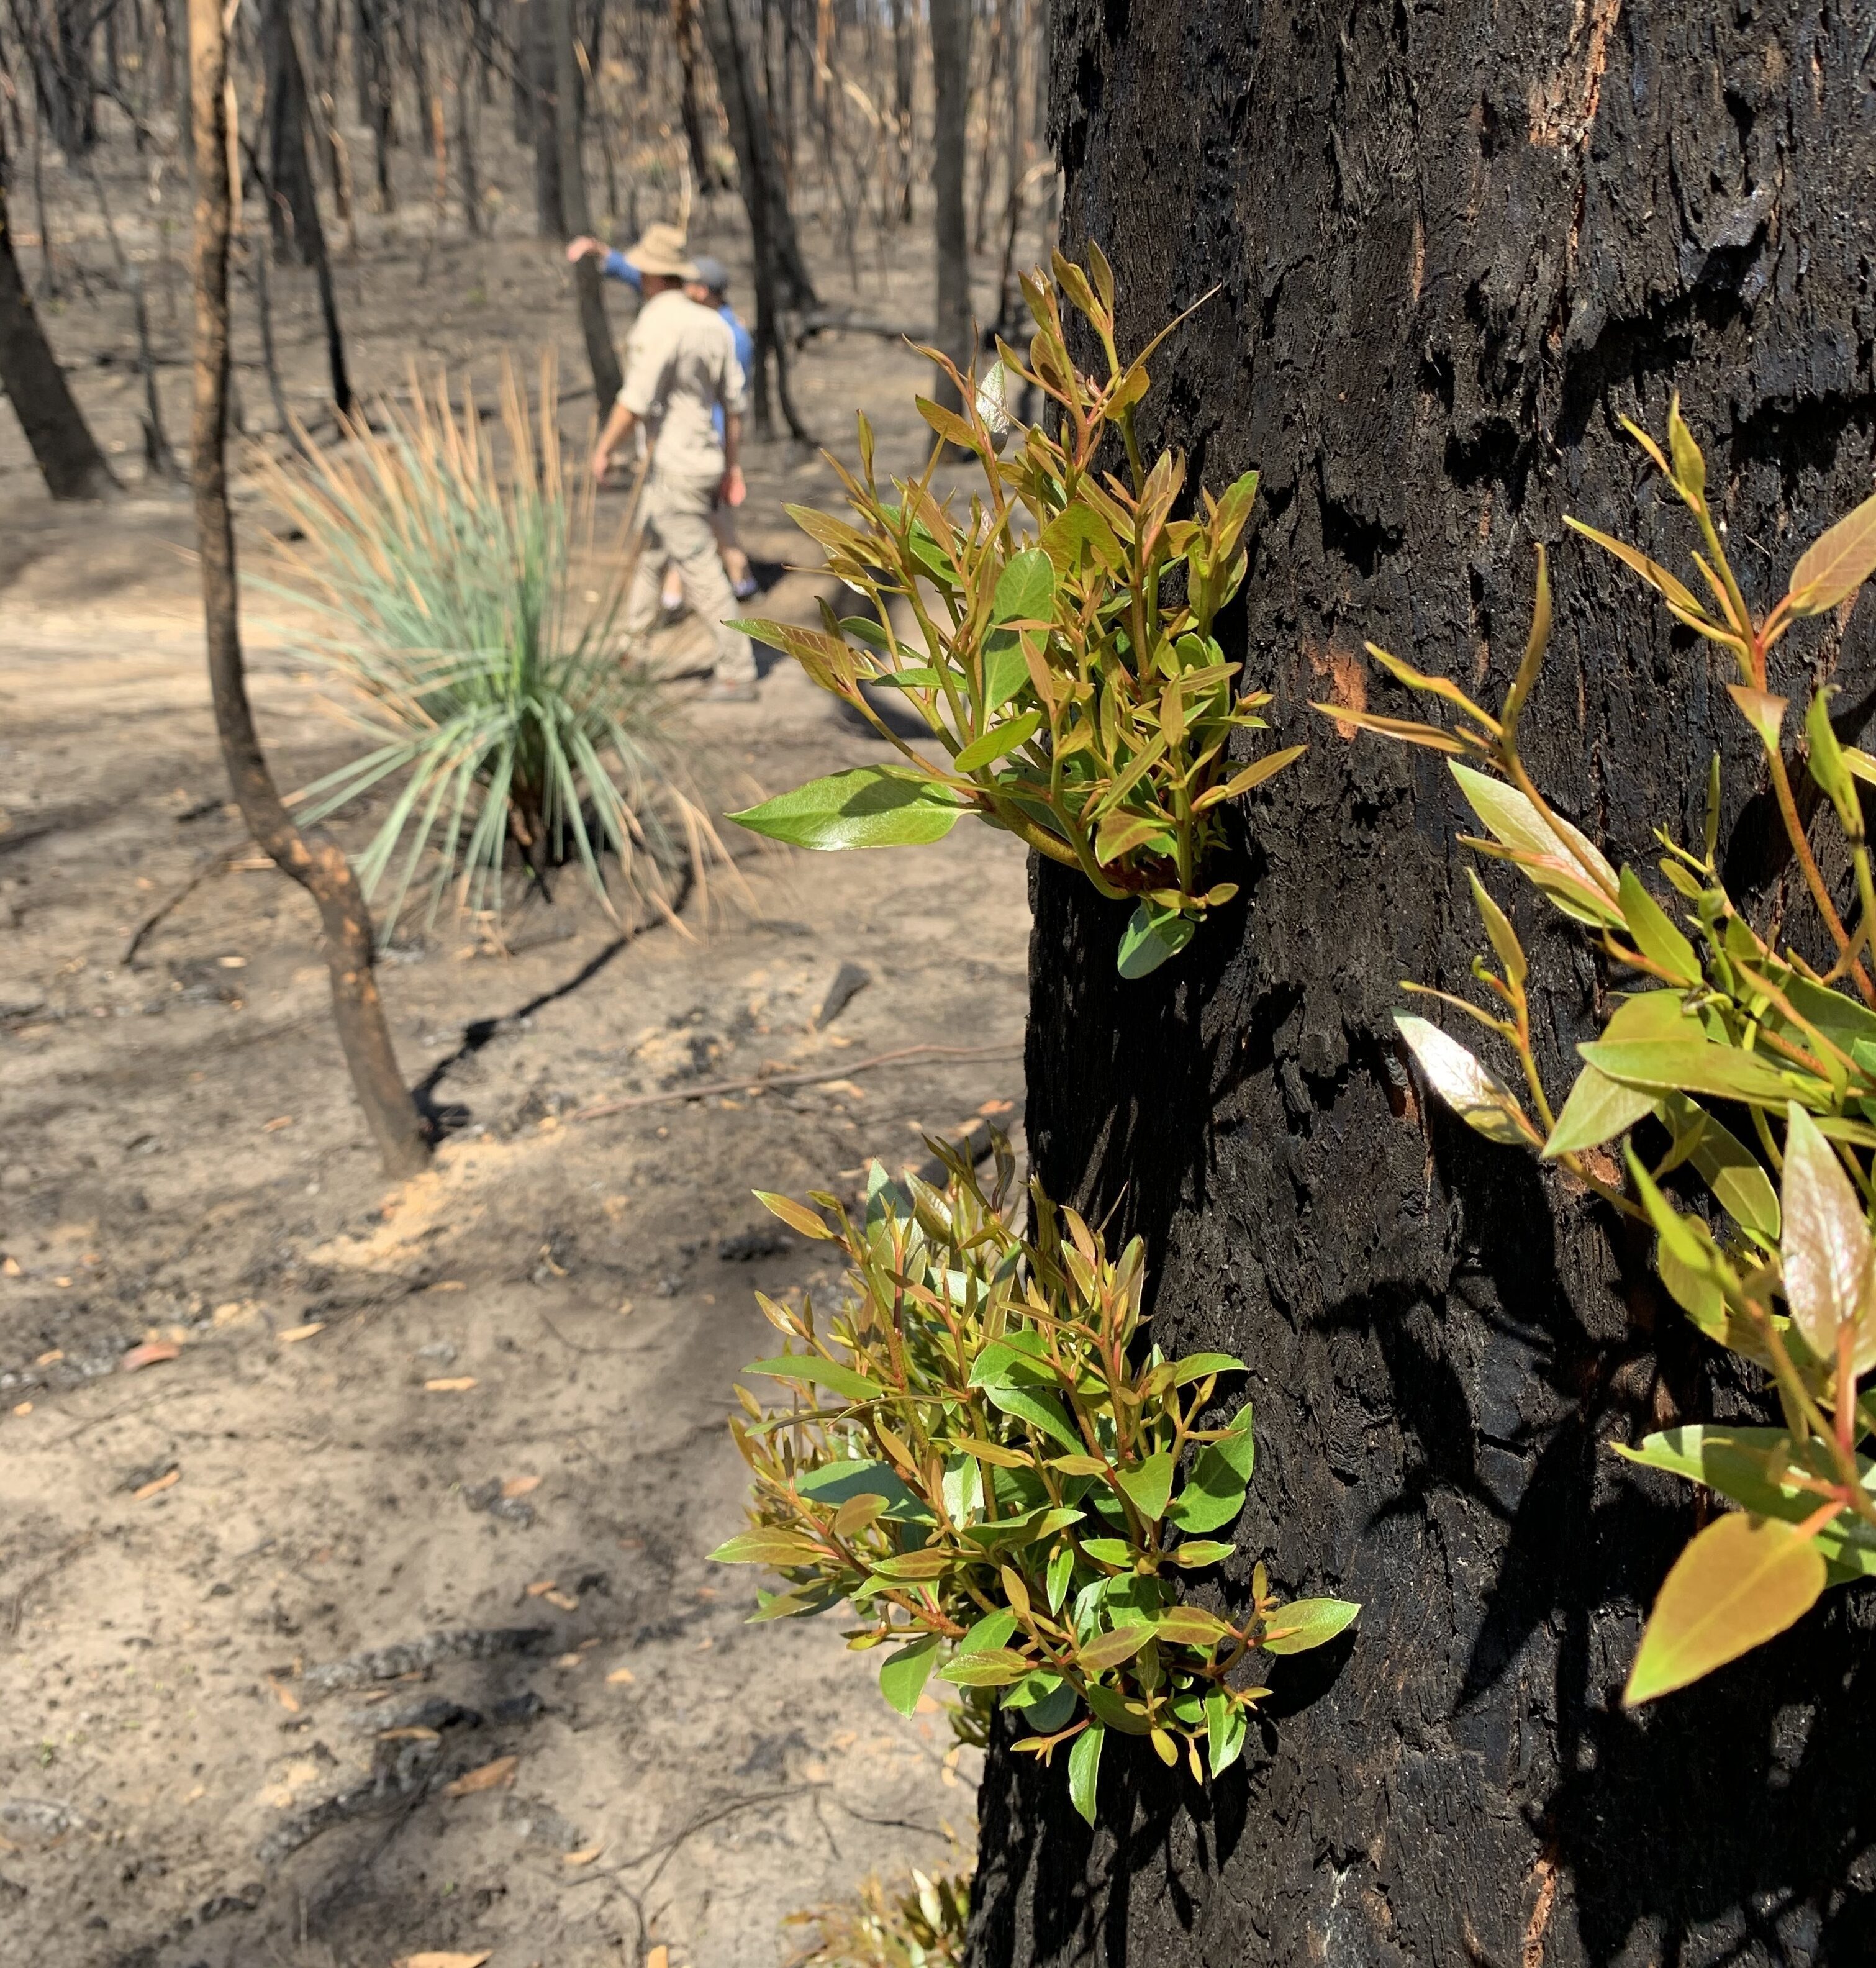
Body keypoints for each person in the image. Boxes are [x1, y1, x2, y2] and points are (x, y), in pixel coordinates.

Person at [588, 225, 758, 703]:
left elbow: (637, 397)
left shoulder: (659, 321)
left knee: (699, 567)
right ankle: (631, 651)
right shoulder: (715, 322)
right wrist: (731, 465)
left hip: (675, 465)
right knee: (652, 552)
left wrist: (604, 448)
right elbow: (736, 405)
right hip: (701, 458)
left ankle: (737, 669)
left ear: (650, 275)